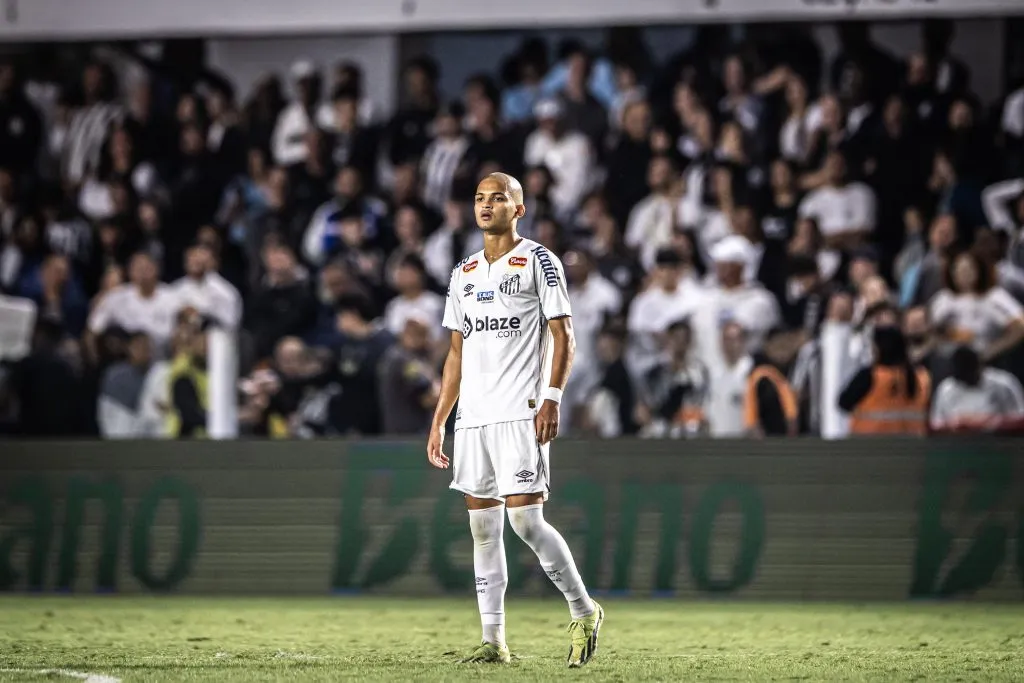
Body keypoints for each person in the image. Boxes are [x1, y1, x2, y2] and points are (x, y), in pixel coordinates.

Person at [426, 172, 603, 667]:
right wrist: (440, 419)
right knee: (483, 527)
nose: (486, 205)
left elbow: (564, 335)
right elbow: (456, 354)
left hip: (520, 411)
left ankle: (584, 610)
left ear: (518, 209)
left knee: (526, 520)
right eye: (479, 198)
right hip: (473, 418)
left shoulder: (539, 260)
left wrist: (552, 398)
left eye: (498, 198)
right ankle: (493, 640)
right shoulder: (463, 273)